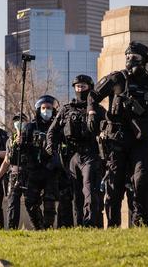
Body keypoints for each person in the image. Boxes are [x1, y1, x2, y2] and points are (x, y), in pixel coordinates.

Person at [89, 41, 148, 226]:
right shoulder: (117, 79)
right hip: (117, 141)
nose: (130, 60)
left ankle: (138, 219)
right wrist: (92, 113)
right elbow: (93, 95)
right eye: (127, 57)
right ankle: (114, 225)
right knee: (115, 186)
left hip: (140, 142)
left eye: (134, 57)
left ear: (144, 61)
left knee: (142, 179)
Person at [47, 75, 105, 227]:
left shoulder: (97, 109)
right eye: (78, 87)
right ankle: (79, 225)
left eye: (83, 87)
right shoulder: (66, 109)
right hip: (72, 156)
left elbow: (108, 129)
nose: (80, 89)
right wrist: (50, 145)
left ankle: (90, 223)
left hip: (91, 154)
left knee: (89, 190)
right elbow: (52, 131)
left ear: (90, 88)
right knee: (77, 194)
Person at [21, 95, 60, 230]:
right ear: (38, 109)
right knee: (30, 201)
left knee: (49, 201)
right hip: (34, 170)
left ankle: (48, 227)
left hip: (51, 170)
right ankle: (39, 227)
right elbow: (23, 151)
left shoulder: (58, 128)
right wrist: (20, 143)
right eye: (43, 108)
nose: (46, 111)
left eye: (49, 108)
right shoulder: (30, 127)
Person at [0, 112, 28, 229]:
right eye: (16, 121)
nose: (19, 123)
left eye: (22, 120)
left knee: (31, 203)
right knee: (12, 203)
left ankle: (40, 227)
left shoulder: (31, 136)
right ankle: (12, 229)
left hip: (28, 174)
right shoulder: (10, 140)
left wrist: (24, 142)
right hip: (14, 174)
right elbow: (7, 161)